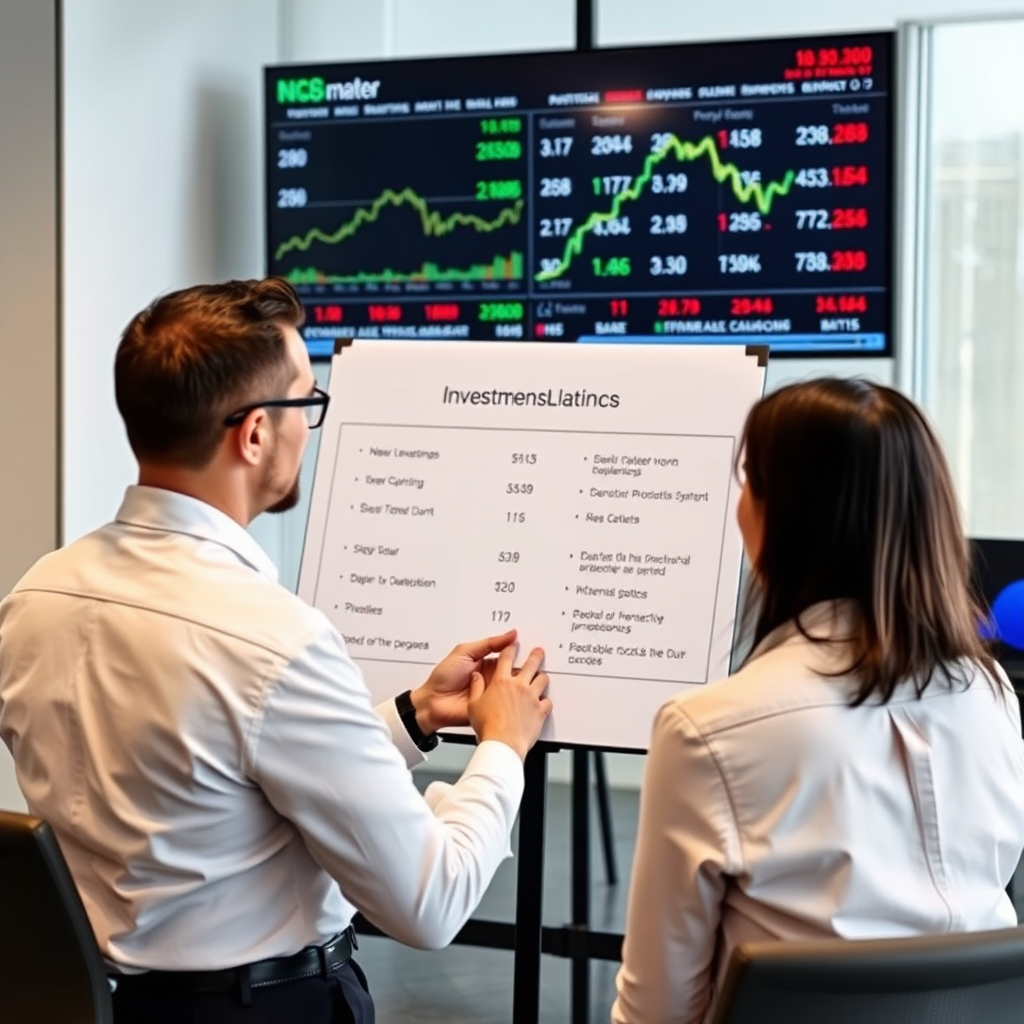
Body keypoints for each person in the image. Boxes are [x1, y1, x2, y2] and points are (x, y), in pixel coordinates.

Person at [0, 277, 552, 1024]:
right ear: (255, 433)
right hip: (268, 1007)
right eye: (307, 403)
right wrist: (503, 748)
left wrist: (414, 717)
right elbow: (431, 902)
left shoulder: (37, 596)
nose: (310, 426)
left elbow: (217, 787)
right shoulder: (272, 639)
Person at [612, 378, 1024, 1024]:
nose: (740, 501)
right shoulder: (992, 698)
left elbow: (656, 1012)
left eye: (750, 480)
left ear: (784, 517)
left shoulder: (706, 733)